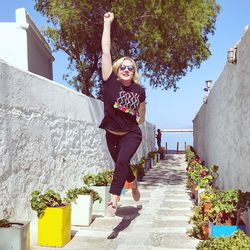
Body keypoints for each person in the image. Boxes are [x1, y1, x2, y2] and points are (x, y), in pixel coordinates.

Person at [99, 12, 146, 216]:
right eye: (123, 67)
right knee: (123, 165)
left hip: (131, 133)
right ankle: (133, 184)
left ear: (133, 72)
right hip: (111, 134)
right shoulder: (109, 82)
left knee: (120, 162)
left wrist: (141, 119)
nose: (127, 69)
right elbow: (106, 51)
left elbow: (143, 106)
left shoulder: (139, 90)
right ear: (117, 70)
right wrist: (107, 23)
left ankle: (114, 199)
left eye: (131, 67)